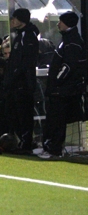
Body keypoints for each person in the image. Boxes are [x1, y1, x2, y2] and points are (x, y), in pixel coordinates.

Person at [40, 12, 87, 159]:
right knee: (54, 119)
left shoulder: (72, 42)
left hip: (63, 90)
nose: (58, 24)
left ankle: (54, 149)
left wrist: (56, 83)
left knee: (57, 120)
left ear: (67, 23)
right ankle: (51, 147)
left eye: (60, 21)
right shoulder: (67, 40)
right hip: (61, 89)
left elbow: (68, 67)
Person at [1, 8, 39, 152]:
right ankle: (20, 140)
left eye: (14, 18)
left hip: (22, 83)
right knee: (13, 112)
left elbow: (26, 61)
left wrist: (16, 74)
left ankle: (26, 142)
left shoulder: (28, 36)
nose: (12, 21)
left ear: (21, 20)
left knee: (24, 114)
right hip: (15, 82)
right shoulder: (20, 35)